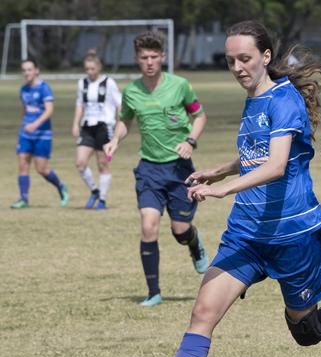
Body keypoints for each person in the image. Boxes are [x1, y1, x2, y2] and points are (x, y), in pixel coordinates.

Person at [123, 20, 321, 357]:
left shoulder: (285, 101)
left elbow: (277, 164)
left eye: (245, 58)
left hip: (293, 235)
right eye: (230, 61)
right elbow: (255, 153)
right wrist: (219, 170)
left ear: (265, 57)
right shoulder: (255, 100)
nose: (237, 67)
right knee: (203, 312)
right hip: (246, 234)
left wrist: (225, 187)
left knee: (306, 330)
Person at [103, 31, 209, 306]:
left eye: (154, 57)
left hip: (179, 170)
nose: (149, 62)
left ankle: (194, 244)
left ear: (162, 57)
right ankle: (154, 293)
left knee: (180, 230)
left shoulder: (180, 85)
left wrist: (190, 140)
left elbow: (199, 115)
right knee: (148, 227)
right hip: (149, 169)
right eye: (143, 58)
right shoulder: (132, 92)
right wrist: (115, 139)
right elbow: (125, 120)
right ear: (137, 60)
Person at [11, 58, 68, 209]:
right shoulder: (23, 90)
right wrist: (25, 124)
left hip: (42, 134)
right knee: (23, 163)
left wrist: (35, 124)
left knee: (41, 169)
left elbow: (49, 110)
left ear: (36, 70)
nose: (26, 73)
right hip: (26, 134)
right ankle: (24, 199)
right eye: (24, 70)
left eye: (29, 69)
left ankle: (61, 186)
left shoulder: (44, 88)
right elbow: (25, 110)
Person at [72, 49, 121, 210]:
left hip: (104, 127)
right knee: (80, 163)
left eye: (92, 69)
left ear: (99, 67)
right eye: (87, 69)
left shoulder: (109, 83)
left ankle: (102, 199)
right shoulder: (82, 83)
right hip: (87, 126)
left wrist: (118, 126)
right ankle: (94, 190)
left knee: (102, 164)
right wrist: (75, 124)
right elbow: (80, 104)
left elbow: (119, 105)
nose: (89, 72)